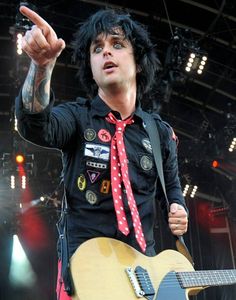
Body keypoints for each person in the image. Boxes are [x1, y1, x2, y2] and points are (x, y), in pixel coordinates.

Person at [16, 5, 188, 300]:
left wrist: (178, 207)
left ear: (138, 62)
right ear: (90, 68)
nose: (106, 52)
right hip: (87, 272)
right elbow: (35, 125)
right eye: (97, 49)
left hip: (142, 275)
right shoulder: (78, 117)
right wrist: (41, 66)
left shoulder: (159, 133)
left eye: (117, 44)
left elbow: (171, 188)